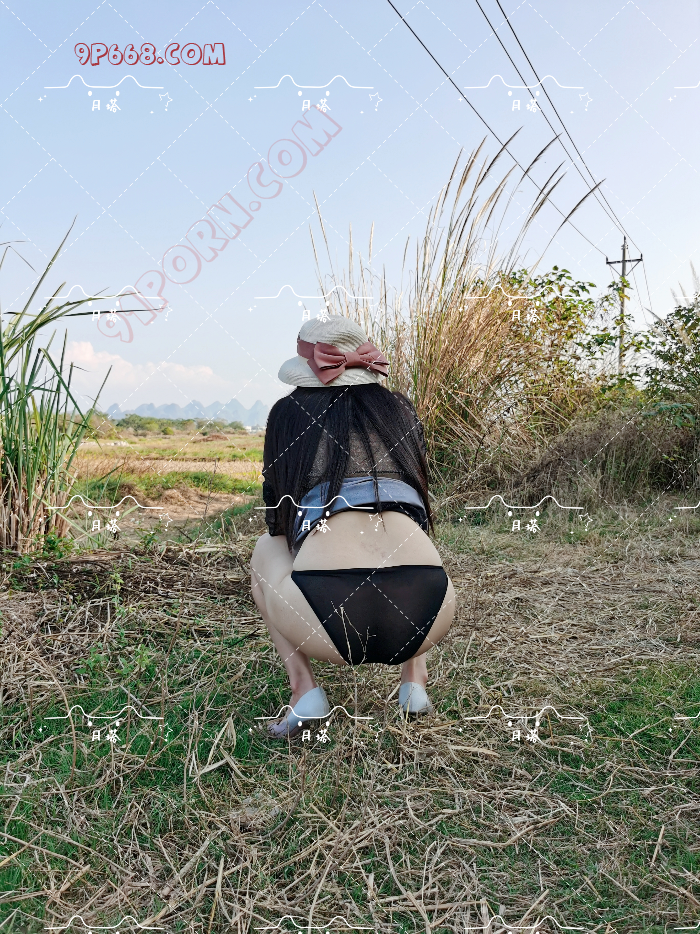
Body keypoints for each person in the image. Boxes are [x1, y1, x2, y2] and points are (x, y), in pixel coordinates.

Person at [250, 315, 456, 738]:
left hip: (324, 618)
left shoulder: (288, 413)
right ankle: (414, 683)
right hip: (429, 610)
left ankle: (304, 691)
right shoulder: (398, 409)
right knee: (410, 532)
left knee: (265, 549)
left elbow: (277, 520)